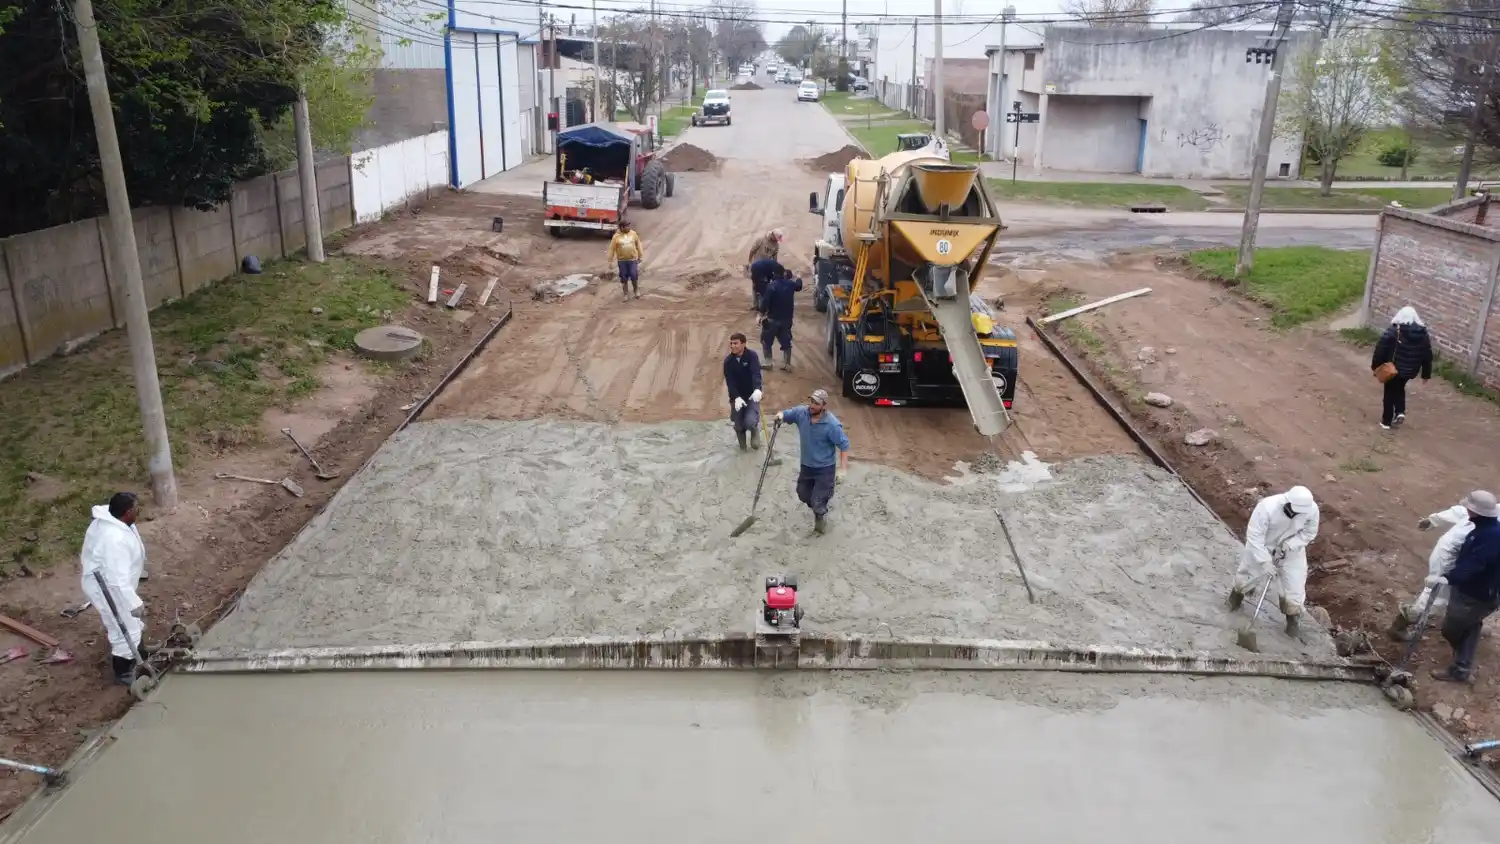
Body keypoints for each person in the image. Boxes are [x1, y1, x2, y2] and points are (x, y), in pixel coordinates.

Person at [1227, 485, 1320, 637]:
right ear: (1287, 503)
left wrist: (1289, 545)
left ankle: (1292, 620)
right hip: (1262, 546)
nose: (1297, 513)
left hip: (1291, 551)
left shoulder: (1311, 510)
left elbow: (1309, 533)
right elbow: (1255, 535)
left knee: (1295, 585)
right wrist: (1265, 561)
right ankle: (1235, 598)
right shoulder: (1267, 507)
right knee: (1248, 575)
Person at [1430, 490, 1500, 683]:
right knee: (1471, 625)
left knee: (1452, 629)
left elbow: (1476, 564)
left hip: (1478, 594)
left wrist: (1449, 577)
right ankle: (1461, 669)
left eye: (1469, 508)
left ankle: (1461, 665)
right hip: (1471, 590)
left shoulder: (1491, 537)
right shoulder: (1483, 529)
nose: (1467, 511)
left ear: (1477, 512)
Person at [79, 492, 149, 686]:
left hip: (115, 580)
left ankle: (140, 651)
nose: (139, 510)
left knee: (132, 623)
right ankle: (124, 670)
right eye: (136, 508)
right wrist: (134, 603)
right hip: (107, 587)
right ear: (127, 512)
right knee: (122, 626)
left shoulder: (115, 521)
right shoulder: (114, 540)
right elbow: (116, 581)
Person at [1389, 496, 1481, 639]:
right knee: (1437, 597)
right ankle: (1399, 626)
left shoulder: (1494, 510)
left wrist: (1435, 519)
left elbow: (1462, 511)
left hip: (1454, 553)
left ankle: (1471, 622)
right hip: (1451, 559)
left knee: (1476, 594)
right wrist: (1435, 519)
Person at [774, 389, 851, 535]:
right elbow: (788, 414)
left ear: (824, 406)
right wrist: (781, 415)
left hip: (825, 469)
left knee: (817, 500)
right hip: (807, 466)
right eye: (812, 402)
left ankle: (820, 520)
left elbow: (844, 445)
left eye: (816, 403)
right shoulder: (802, 413)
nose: (812, 406)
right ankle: (819, 505)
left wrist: (843, 469)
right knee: (802, 493)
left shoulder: (832, 425)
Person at [1370, 305, 1433, 430]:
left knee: (1389, 392)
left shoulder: (1394, 331)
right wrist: (1426, 374)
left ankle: (1386, 421)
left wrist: (1375, 365)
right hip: (1410, 370)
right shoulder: (1423, 335)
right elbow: (1427, 355)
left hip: (1393, 369)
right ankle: (1400, 412)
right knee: (1399, 388)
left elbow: (1380, 349)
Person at [723, 332, 764, 451]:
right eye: (731, 343)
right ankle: (743, 449)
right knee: (739, 426)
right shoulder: (728, 362)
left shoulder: (752, 356)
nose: (733, 346)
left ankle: (754, 430)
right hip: (736, 398)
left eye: (735, 343)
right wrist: (736, 397)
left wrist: (757, 389)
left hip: (752, 395)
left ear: (743, 344)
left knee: (750, 421)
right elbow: (730, 382)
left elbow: (756, 374)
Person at [758, 267, 804, 371]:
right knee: (786, 342)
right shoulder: (791, 284)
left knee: (766, 341)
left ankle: (768, 362)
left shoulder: (771, 287)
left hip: (772, 320)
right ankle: (787, 364)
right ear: (783, 274)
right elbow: (799, 286)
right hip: (787, 320)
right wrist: (799, 277)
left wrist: (760, 314)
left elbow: (764, 303)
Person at [607, 220, 644, 300]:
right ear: (622, 227)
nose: (628, 228)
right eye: (627, 226)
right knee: (624, 277)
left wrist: (640, 256)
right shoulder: (616, 236)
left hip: (632, 260)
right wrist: (610, 260)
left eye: (629, 226)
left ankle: (636, 290)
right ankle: (625, 294)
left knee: (633, 274)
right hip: (622, 261)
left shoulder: (633, 234)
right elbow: (611, 249)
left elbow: (638, 244)